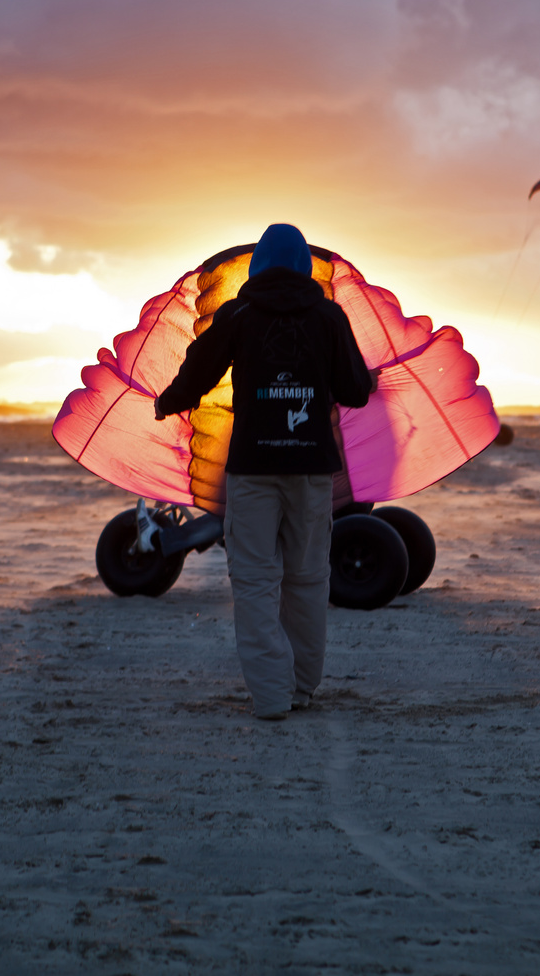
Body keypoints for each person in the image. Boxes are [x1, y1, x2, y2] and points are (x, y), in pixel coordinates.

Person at [155, 223, 375, 720]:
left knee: (254, 580)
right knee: (308, 577)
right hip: (312, 469)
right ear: (304, 267)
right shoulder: (329, 316)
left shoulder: (237, 315)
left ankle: (271, 698)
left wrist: (166, 403)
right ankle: (301, 688)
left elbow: (197, 373)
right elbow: (356, 391)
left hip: (253, 469)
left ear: (255, 268)